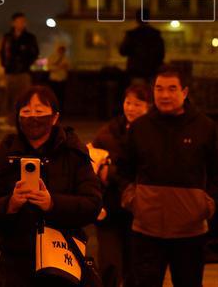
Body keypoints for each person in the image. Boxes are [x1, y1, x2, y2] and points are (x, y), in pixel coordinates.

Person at [116, 64, 218, 287]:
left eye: (171, 89)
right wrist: (132, 200)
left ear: (184, 92)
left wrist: (207, 205)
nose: (165, 95)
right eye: (159, 89)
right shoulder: (140, 127)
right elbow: (123, 170)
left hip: (190, 231)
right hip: (146, 229)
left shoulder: (205, 127)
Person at [0, 86, 103, 286]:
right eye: (26, 111)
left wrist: (53, 204)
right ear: (18, 117)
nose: (33, 117)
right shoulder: (8, 152)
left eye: (39, 111)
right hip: (15, 264)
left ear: (54, 117)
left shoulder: (72, 151)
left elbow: (92, 203)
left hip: (60, 262)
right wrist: (10, 204)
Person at [91, 84, 152, 287]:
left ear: (149, 107)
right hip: (110, 208)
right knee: (109, 264)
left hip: (139, 210)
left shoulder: (153, 133)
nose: (131, 108)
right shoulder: (108, 132)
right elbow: (91, 162)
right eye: (128, 102)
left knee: (134, 266)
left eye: (138, 104)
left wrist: (111, 171)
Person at [0, 12, 40, 121]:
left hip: (24, 72)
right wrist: (5, 64)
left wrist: (27, 63)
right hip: (10, 71)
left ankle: (22, 120)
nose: (21, 24)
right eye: (19, 21)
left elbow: (35, 53)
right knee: (9, 96)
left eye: (23, 21)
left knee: (24, 97)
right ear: (13, 23)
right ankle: (10, 119)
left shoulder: (30, 37)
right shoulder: (7, 37)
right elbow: (2, 52)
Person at [119, 9, 165, 86]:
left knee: (138, 91)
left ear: (137, 19)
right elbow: (161, 54)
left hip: (136, 72)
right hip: (152, 71)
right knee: (151, 92)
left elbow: (123, 51)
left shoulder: (132, 35)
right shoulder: (155, 34)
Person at [47, 44, 72, 110]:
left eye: (63, 49)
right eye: (61, 49)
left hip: (62, 80)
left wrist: (65, 66)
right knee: (53, 96)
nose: (62, 51)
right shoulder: (52, 57)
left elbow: (69, 67)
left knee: (61, 96)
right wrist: (60, 67)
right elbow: (49, 67)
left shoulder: (66, 58)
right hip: (54, 79)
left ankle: (60, 110)